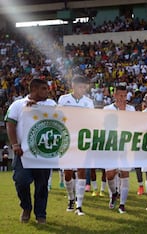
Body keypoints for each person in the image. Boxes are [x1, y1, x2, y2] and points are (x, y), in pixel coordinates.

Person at [5, 78, 56, 224]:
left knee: (41, 185)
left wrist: (38, 110)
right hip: (23, 152)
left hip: (42, 152)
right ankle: (26, 207)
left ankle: (41, 215)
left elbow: (57, 120)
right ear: (34, 89)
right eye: (44, 89)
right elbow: (10, 124)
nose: (48, 91)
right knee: (21, 181)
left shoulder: (51, 104)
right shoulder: (18, 104)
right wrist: (14, 145)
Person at [58, 75, 94, 216]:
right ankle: (71, 199)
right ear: (73, 85)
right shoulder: (63, 99)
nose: (82, 89)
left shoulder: (88, 102)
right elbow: (58, 116)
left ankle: (79, 205)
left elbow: (91, 119)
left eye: (84, 87)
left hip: (81, 139)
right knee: (67, 173)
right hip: (67, 138)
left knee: (81, 170)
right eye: (80, 86)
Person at [104, 85, 135, 214]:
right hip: (111, 145)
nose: (123, 98)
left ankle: (122, 204)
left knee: (124, 173)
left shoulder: (131, 109)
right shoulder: (107, 109)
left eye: (125, 96)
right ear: (115, 95)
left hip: (126, 145)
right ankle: (113, 193)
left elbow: (134, 125)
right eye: (120, 95)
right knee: (110, 175)